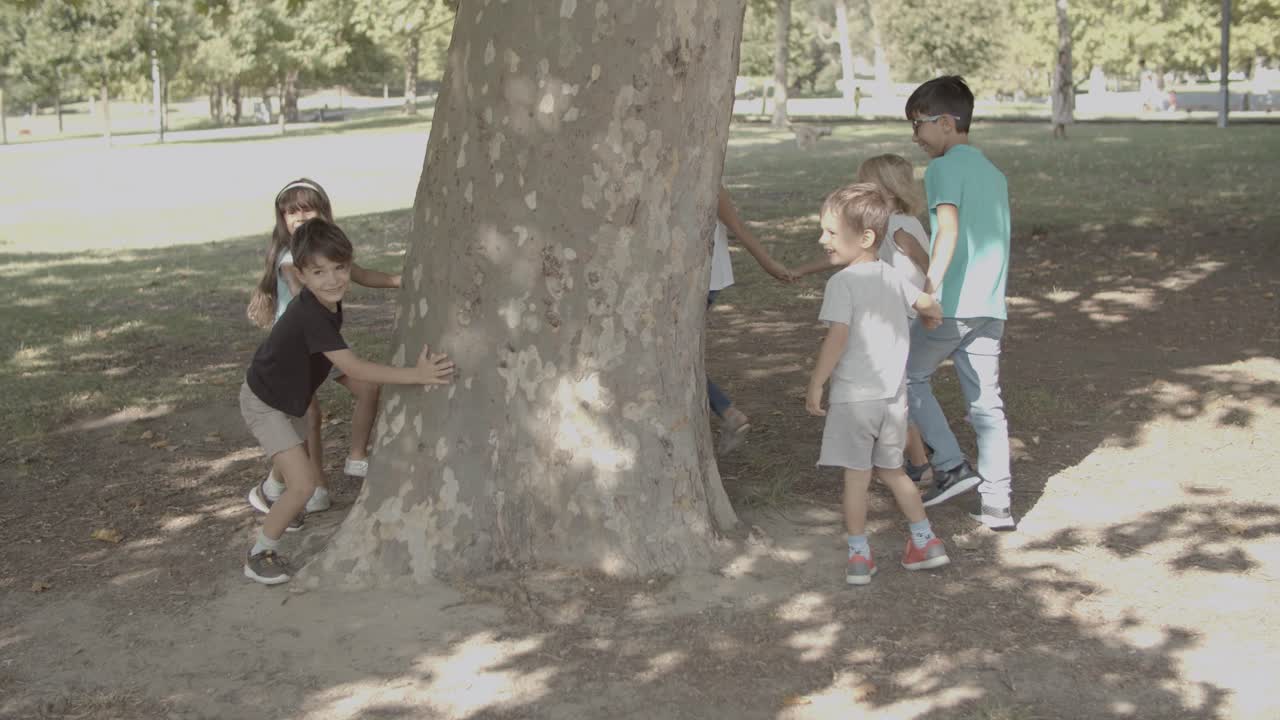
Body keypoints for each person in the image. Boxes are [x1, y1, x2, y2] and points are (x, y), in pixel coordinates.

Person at [239, 219, 454, 584]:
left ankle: (269, 490)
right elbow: (355, 367)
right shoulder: (310, 316)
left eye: (340, 268)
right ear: (302, 276)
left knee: (291, 462)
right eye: (319, 272)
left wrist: (400, 281)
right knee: (304, 486)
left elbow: (364, 276)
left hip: (290, 395)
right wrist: (417, 375)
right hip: (265, 403)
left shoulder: (326, 294)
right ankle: (260, 552)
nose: (334, 279)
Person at [805, 182, 949, 586]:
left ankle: (858, 557)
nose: (823, 239)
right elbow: (925, 301)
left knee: (856, 477)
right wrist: (931, 314)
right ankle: (925, 541)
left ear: (865, 237)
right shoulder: (890, 276)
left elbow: (838, 336)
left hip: (854, 399)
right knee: (894, 472)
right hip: (893, 401)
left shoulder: (843, 284)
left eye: (831, 232)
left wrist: (818, 382)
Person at [246, 178, 401, 515]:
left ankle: (350, 459)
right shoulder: (292, 258)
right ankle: (313, 486)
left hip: (321, 347)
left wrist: (398, 281)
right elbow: (297, 285)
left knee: (358, 392)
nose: (298, 217)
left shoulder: (326, 252)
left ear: (323, 212)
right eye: (290, 212)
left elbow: (361, 274)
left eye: (307, 209)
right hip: (301, 348)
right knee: (308, 415)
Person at [904, 76, 1015, 530]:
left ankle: (949, 465)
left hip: (953, 304)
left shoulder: (942, 170)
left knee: (904, 375)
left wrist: (928, 291)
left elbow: (948, 232)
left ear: (946, 123)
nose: (916, 137)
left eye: (919, 125)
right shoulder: (993, 173)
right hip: (990, 305)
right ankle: (998, 503)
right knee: (987, 404)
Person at [793, 154, 934, 487]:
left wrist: (927, 305)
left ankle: (920, 461)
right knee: (894, 391)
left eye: (866, 184)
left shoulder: (900, 228)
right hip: (892, 313)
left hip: (900, 316)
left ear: (887, 189)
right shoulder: (887, 230)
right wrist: (802, 270)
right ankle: (911, 458)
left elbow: (928, 267)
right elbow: (854, 259)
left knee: (895, 391)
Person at [707, 186, 794, 455]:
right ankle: (726, 411)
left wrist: (768, 264)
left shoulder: (708, 180)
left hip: (703, 278)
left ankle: (728, 411)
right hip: (682, 276)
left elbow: (737, 227)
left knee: (672, 354)